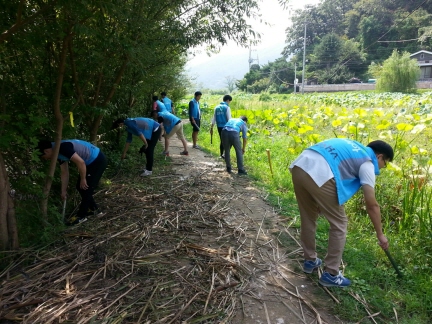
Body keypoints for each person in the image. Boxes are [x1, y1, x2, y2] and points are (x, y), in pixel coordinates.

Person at [289, 139, 393, 287]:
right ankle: (331, 274)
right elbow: (372, 205)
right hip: (319, 172)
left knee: (308, 217)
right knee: (340, 223)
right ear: (380, 156)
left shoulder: (354, 147)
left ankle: (309, 261)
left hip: (300, 165)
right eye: (386, 163)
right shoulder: (368, 162)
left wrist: (320, 199)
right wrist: (380, 234)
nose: (383, 167)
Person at [37, 139, 107, 225]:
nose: (46, 159)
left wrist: (83, 178)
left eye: (44, 157)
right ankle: (94, 209)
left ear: (46, 151)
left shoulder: (62, 147)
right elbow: (64, 172)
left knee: (86, 188)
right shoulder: (57, 153)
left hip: (97, 160)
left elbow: (80, 162)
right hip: (89, 162)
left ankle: (81, 216)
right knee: (80, 187)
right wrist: (63, 190)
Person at [210, 95, 232, 159]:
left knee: (222, 140)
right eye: (229, 101)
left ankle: (221, 154)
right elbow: (229, 119)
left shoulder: (216, 107)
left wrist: (211, 128)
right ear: (228, 100)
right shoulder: (227, 107)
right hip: (226, 127)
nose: (229, 103)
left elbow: (214, 118)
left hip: (219, 126)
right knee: (227, 141)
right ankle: (225, 155)